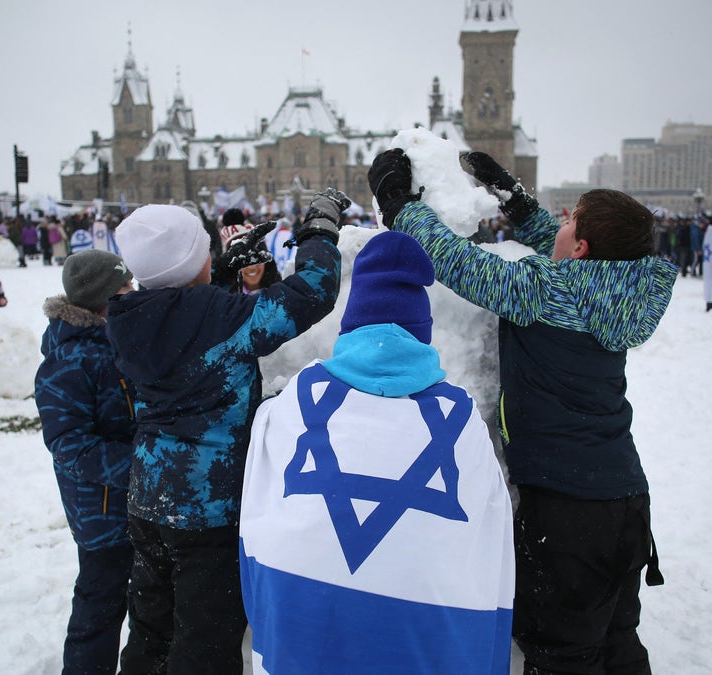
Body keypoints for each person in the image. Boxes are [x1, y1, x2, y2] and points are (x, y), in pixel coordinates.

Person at [369, 148, 674, 675]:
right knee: (618, 640)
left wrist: (401, 209)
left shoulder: (540, 289)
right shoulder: (623, 288)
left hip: (568, 510)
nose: (560, 220)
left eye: (569, 218)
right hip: (625, 499)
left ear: (580, 246)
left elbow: (456, 260)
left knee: (561, 654)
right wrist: (515, 200)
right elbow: (576, 262)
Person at [239, 230, 515, 674]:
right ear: (422, 332)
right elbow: (492, 547)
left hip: (302, 629)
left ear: (352, 325)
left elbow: (253, 523)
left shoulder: (295, 400)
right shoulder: (459, 420)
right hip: (422, 637)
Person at [104, 190, 348, 675]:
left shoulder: (125, 316)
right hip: (208, 513)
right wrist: (319, 227)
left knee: (150, 633)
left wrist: (212, 269)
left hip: (147, 500)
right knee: (205, 646)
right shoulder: (226, 319)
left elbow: (175, 311)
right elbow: (314, 289)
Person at [34, 249, 138, 675]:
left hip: (136, 501)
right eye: (125, 286)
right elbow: (71, 448)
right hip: (102, 515)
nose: (134, 291)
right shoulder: (68, 362)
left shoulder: (120, 337)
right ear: (103, 298)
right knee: (100, 605)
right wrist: (144, 463)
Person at [212, 221, 282, 294]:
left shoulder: (282, 292)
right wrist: (220, 267)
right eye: (245, 262)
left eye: (257, 260)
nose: (252, 268)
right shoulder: (223, 297)